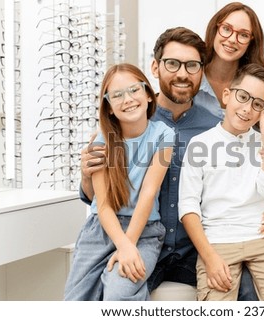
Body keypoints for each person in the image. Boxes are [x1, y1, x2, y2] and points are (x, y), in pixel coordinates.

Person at [79, 27, 260, 300]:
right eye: (172, 63)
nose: (182, 74)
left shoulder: (216, 129)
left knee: (248, 289)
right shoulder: (133, 121)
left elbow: (236, 191)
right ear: (155, 66)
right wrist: (85, 177)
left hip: (195, 251)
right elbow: (101, 198)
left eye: (192, 65)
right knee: (110, 293)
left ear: (202, 71)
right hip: (144, 243)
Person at [179, 63, 264, 300]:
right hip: (218, 243)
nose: (247, 109)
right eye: (243, 97)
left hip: (263, 240)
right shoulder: (199, 145)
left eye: (257, 104)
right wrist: (209, 257)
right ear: (226, 95)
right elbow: (188, 208)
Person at [64, 63, 174, 301]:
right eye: (117, 95)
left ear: (147, 93)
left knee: (118, 293)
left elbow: (148, 192)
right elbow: (102, 206)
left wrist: (129, 245)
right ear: (110, 107)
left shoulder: (164, 135)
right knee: (75, 301)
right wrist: (122, 244)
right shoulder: (102, 140)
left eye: (134, 90)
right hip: (101, 230)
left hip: (143, 231)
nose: (128, 99)